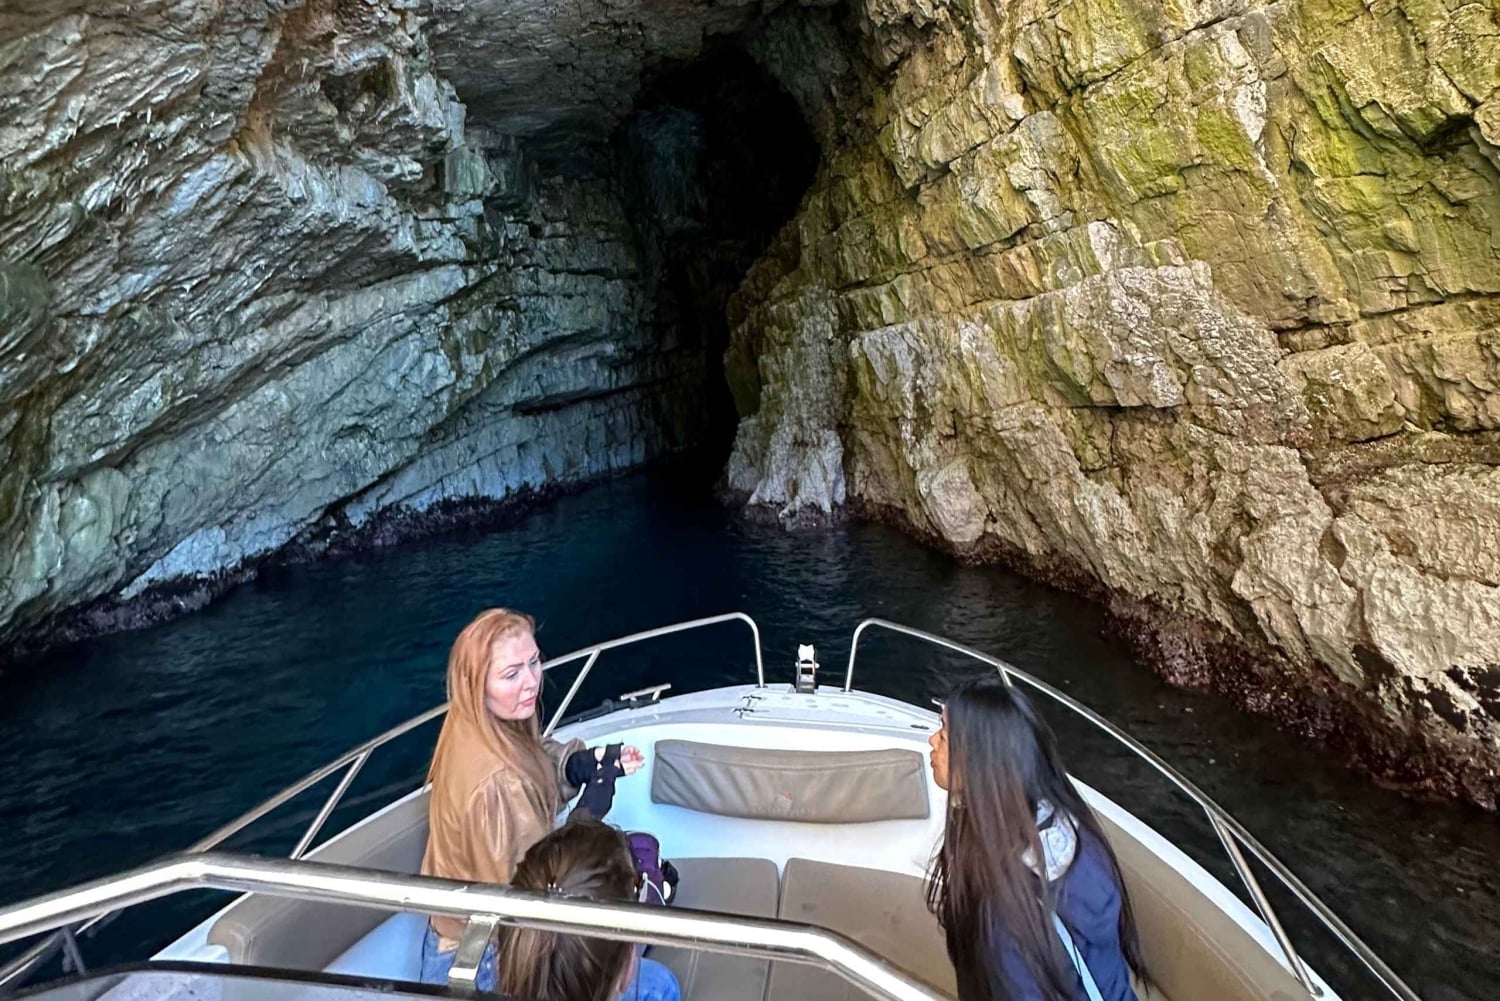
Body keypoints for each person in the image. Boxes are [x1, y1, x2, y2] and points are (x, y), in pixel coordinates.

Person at [418, 608, 658, 993]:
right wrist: (587, 818)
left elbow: (531, 753)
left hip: (456, 930)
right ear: (477, 684)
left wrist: (577, 765)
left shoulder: (474, 723)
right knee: (660, 986)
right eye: (511, 674)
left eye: (534, 662)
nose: (531, 682)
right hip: (485, 954)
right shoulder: (498, 784)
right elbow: (543, 886)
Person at [926, 675, 1149, 1001]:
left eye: (944, 736)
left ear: (982, 764)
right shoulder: (1070, 829)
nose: (932, 740)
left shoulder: (1011, 915)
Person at [497, 817, 681, 1001]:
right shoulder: (656, 987)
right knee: (661, 984)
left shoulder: (485, 965)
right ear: (626, 970)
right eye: (637, 889)